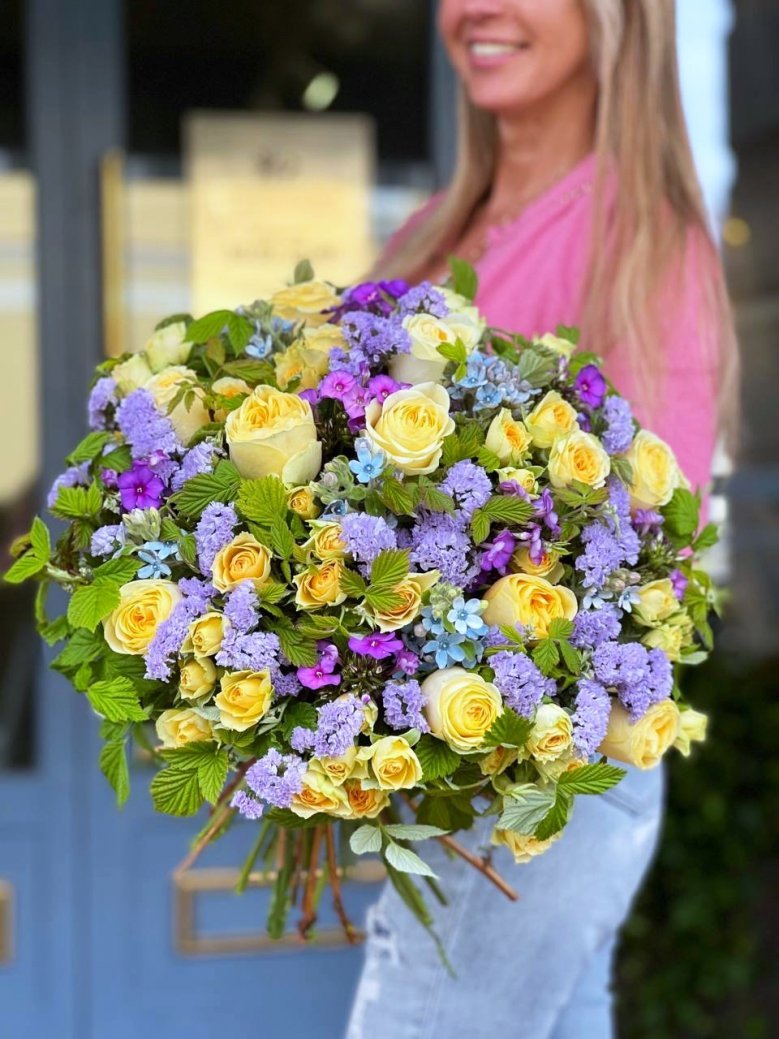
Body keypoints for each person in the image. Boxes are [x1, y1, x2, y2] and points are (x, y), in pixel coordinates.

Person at [346, 2, 739, 1037]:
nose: (475, 11)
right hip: (446, 765)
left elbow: (647, 562)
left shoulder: (639, 240)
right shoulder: (427, 232)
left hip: (551, 762)